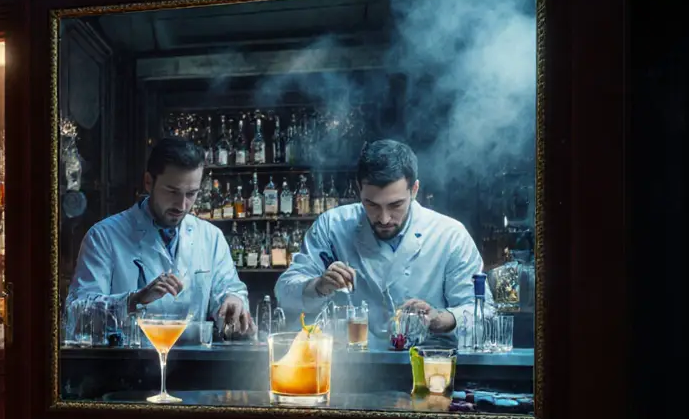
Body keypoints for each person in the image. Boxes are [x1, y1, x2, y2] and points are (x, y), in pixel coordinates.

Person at [274, 139, 489, 345]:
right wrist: (318, 286)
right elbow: (285, 292)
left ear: (414, 190)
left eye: (395, 205)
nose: (384, 218)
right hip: (351, 366)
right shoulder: (332, 227)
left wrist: (443, 319)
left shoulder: (450, 236)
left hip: (425, 366)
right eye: (372, 204)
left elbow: (484, 313)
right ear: (359, 190)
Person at [66, 136, 254, 338]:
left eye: (191, 194)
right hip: (126, 365)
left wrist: (233, 301)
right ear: (149, 182)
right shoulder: (104, 237)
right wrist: (134, 300)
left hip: (196, 364)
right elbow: (76, 315)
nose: (182, 205)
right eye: (172, 191)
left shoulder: (211, 237)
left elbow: (229, 290)